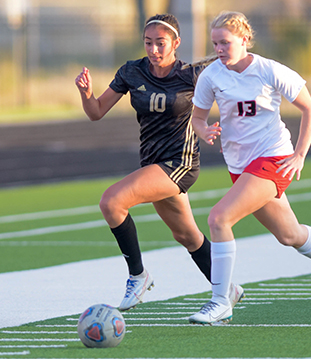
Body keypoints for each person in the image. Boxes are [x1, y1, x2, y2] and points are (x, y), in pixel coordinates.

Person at [188, 11, 311, 325]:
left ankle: (221, 301)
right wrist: (203, 130)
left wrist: (299, 154)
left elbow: (310, 108)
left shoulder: (269, 70)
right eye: (215, 43)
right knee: (290, 235)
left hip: (272, 158)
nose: (219, 49)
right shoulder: (212, 76)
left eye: (225, 42)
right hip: (240, 166)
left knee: (219, 218)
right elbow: (198, 118)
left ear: (244, 40)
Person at [75, 13, 244, 311]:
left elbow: (235, 67)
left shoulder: (193, 74)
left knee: (111, 202)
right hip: (152, 162)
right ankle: (227, 289)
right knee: (187, 235)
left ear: (176, 43)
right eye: (148, 43)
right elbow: (96, 111)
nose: (153, 49)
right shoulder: (131, 71)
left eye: (160, 43)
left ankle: (138, 276)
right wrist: (86, 93)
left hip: (180, 163)